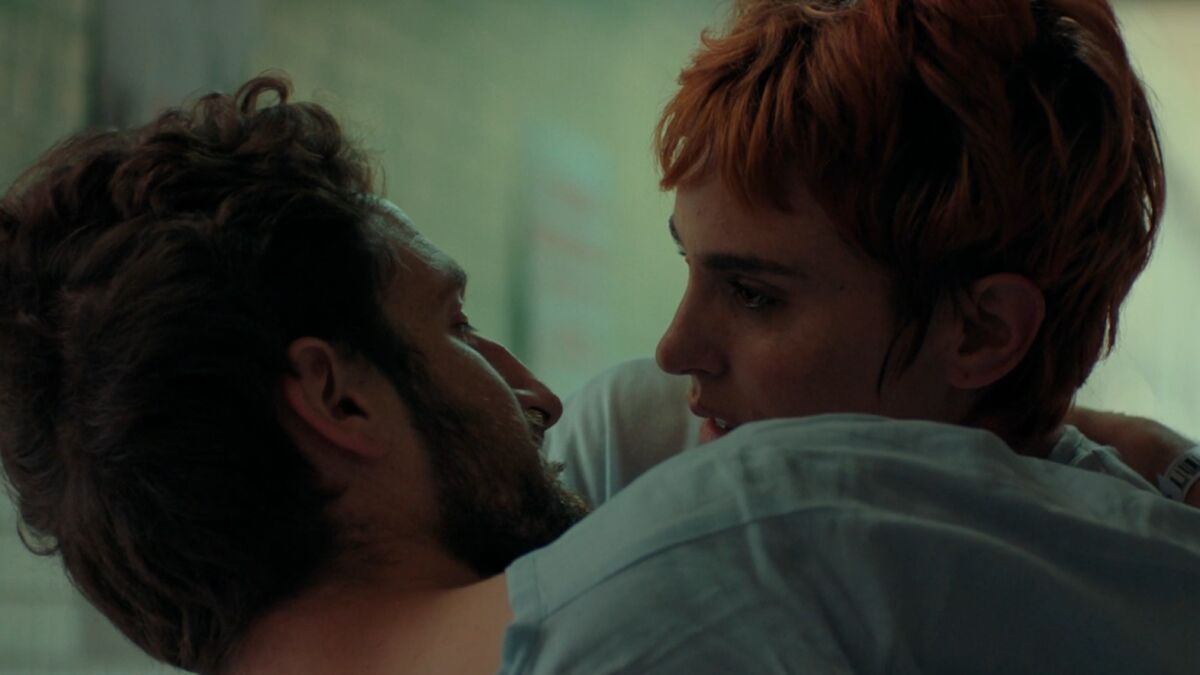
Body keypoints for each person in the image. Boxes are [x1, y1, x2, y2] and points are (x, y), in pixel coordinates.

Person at [545, 0, 1200, 510]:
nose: (674, 349)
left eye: (752, 294)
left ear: (982, 331)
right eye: (688, 262)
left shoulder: (1125, 590)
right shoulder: (628, 450)